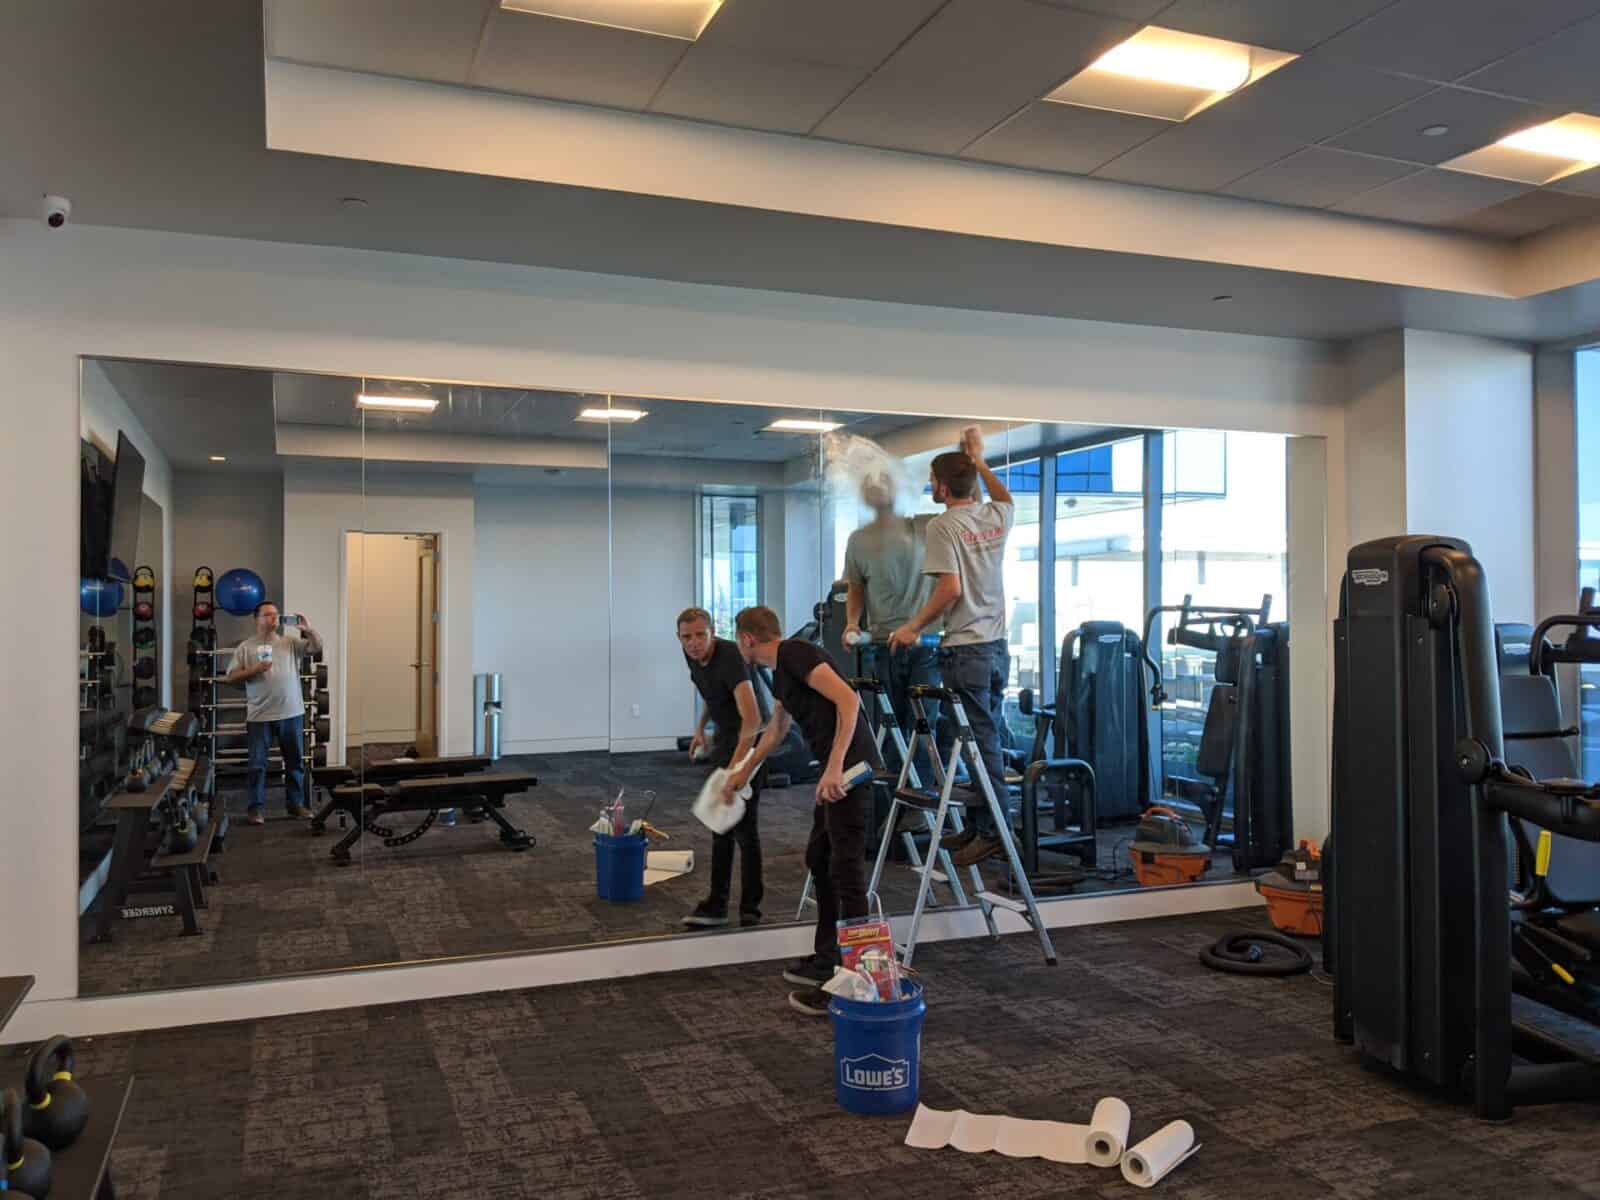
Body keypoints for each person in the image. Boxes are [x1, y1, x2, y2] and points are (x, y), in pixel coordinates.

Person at [725, 604, 877, 1017]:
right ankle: (827, 958)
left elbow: (849, 702)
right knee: (820, 858)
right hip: (835, 774)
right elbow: (777, 729)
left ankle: (855, 982)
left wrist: (833, 767)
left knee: (847, 873)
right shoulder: (782, 671)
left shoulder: (796, 653)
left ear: (747, 639)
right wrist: (744, 770)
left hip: (850, 772)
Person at [889, 426, 1013, 868]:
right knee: (985, 738)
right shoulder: (992, 517)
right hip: (997, 648)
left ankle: (996, 832)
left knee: (981, 744)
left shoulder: (944, 526)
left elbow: (950, 588)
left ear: (941, 487)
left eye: (932, 479)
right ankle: (981, 828)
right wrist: (979, 460)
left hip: (967, 649)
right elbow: (1006, 499)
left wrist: (912, 627)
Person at [842, 471, 941, 778]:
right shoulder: (858, 540)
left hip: (925, 643)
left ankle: (922, 798)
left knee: (923, 723)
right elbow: (855, 587)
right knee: (892, 723)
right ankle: (895, 799)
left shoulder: (925, 526)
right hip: (885, 644)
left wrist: (970, 461)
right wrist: (850, 624)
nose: (877, 490)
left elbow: (967, 507)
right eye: (870, 486)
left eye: (884, 483)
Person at [677, 606, 765, 928]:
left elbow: (753, 719)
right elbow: (712, 696)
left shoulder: (731, 658)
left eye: (701, 635)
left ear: (712, 632)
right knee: (720, 825)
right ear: (680, 639)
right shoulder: (691, 657)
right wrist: (701, 728)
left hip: (752, 742)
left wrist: (736, 770)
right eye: (687, 637)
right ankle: (717, 904)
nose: (695, 642)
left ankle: (750, 908)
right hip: (727, 740)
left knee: (744, 828)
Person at [226, 600, 322, 825]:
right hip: (260, 716)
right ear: (256, 619)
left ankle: (296, 805)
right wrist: (255, 670)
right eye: (268, 615)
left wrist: (308, 630)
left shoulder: (290, 643)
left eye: (276, 615)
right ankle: (255, 809)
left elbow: (316, 647)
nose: (274, 619)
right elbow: (231, 677)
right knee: (257, 765)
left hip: (292, 713)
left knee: (295, 763)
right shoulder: (246, 647)